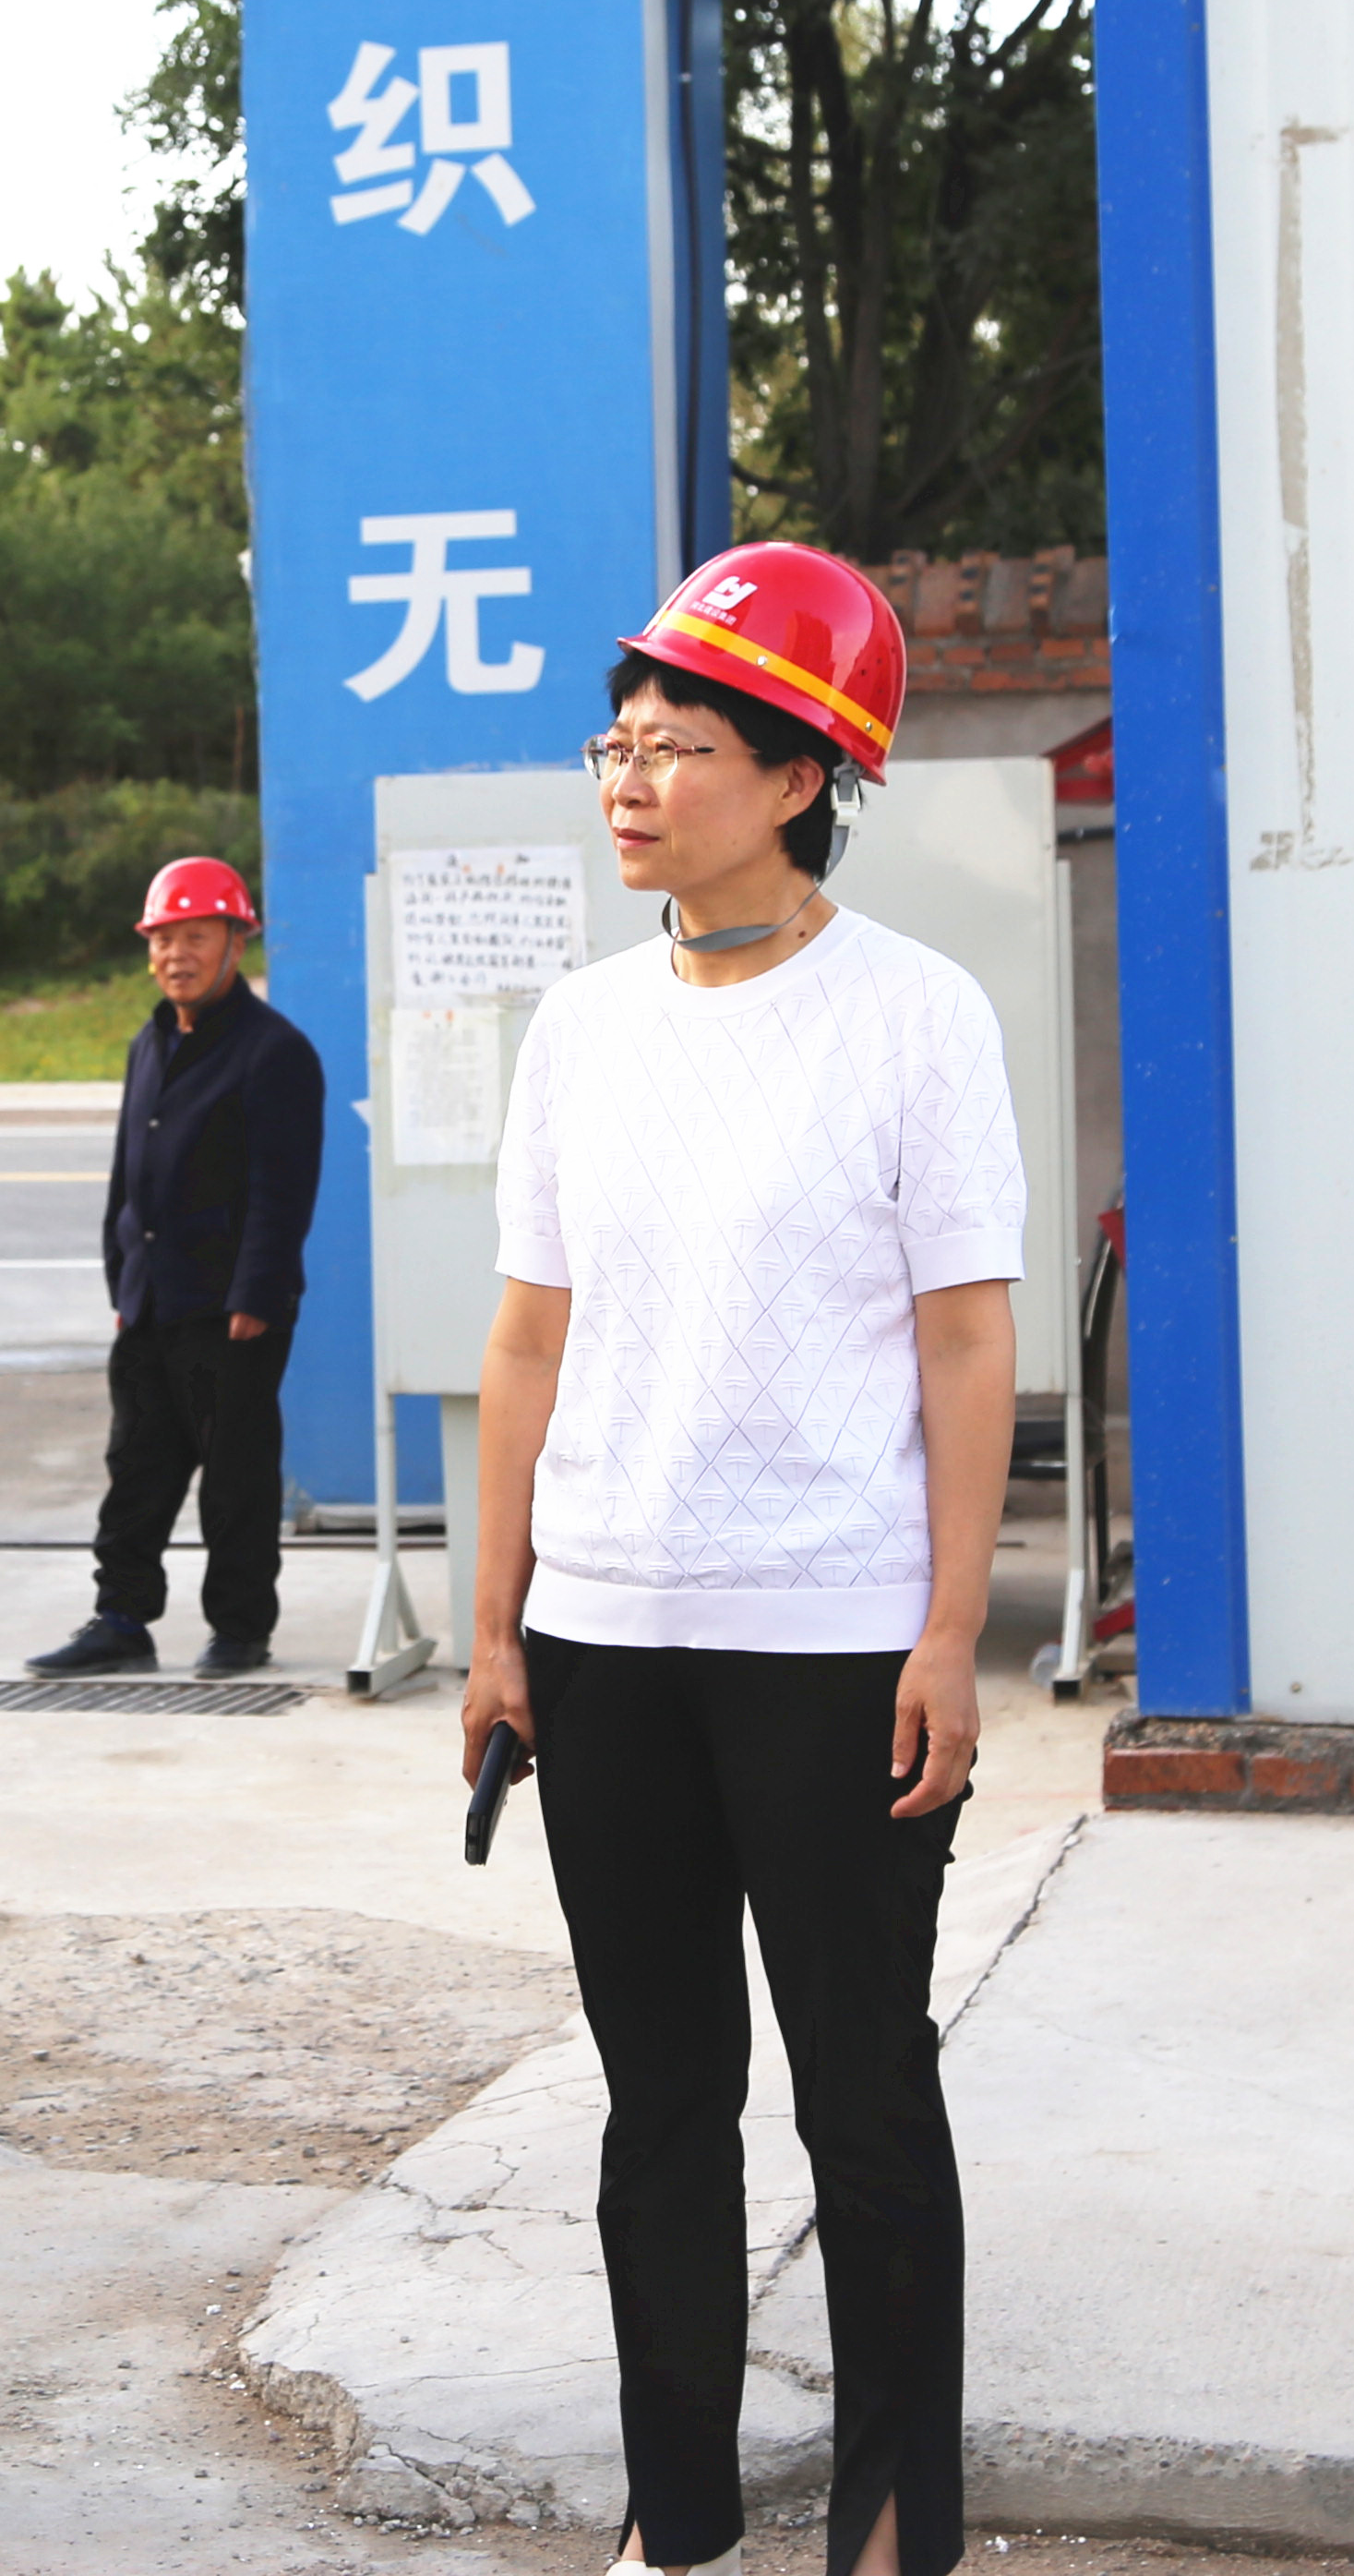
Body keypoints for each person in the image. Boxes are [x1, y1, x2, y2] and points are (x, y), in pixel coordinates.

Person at [456, 543, 1018, 2576]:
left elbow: (966, 1342)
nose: (628, 778)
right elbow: (529, 1341)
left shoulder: (915, 1016)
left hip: (836, 1641)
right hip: (607, 1636)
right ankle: (677, 2520)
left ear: (797, 778)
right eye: (616, 742)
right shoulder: (580, 1029)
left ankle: (894, 2527)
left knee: (863, 2097)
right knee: (661, 2105)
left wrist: (949, 1630)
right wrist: (494, 1627)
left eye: (676, 744)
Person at [27, 854, 322, 1681]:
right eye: (163, 939)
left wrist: (257, 1294)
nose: (176, 955)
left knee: (235, 1481)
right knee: (136, 1470)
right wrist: (121, 1277)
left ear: (236, 942)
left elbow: (283, 1189)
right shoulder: (150, 1042)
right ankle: (121, 1619)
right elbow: (128, 1175)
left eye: (196, 937)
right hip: (151, 1304)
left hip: (232, 1313)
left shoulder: (274, 1052)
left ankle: (239, 1629)